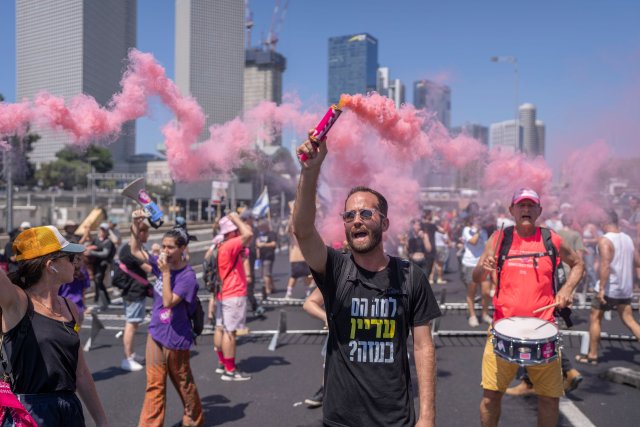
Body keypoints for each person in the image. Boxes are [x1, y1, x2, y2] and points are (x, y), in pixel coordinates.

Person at [293, 134, 440, 427]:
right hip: (340, 419)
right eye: (349, 215)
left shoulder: (411, 276)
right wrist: (310, 171)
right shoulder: (335, 268)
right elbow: (303, 230)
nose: (356, 219)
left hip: (394, 418)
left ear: (384, 223)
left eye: (365, 213)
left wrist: (427, 415)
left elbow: (423, 347)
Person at [472, 188, 584, 427]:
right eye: (521, 205)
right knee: (491, 398)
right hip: (502, 331)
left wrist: (566, 290)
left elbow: (578, 264)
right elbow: (476, 277)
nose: (526, 210)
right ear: (512, 210)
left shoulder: (551, 239)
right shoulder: (499, 238)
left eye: (531, 206)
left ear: (539, 211)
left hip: (544, 331)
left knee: (549, 399)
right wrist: (484, 265)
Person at [0, 226, 108, 426]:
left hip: (68, 410)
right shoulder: (18, 302)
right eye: (69, 257)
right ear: (51, 265)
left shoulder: (69, 307)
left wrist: (102, 421)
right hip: (29, 413)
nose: (76, 262)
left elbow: (81, 373)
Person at [138, 228, 203, 426]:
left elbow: (168, 301)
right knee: (154, 385)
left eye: (171, 247)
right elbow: (134, 252)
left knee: (183, 381)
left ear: (183, 248)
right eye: (164, 246)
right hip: (156, 332)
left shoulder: (188, 277)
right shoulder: (162, 263)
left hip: (176, 338)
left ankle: (194, 417)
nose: (165, 251)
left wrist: (165, 273)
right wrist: (136, 226)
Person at [576, 209, 640, 365]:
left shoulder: (605, 240)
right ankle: (591, 354)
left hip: (609, 288)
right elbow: (637, 262)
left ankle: (592, 355)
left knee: (595, 318)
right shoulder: (627, 239)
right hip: (624, 289)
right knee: (629, 319)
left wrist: (602, 289)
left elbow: (605, 264)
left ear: (604, 223)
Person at [212, 213, 254, 381]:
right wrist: (236, 218)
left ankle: (222, 363)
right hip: (233, 292)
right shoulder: (230, 244)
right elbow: (249, 234)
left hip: (222, 292)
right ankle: (230, 370)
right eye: (235, 230)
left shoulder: (218, 244)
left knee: (220, 327)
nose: (238, 232)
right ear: (231, 232)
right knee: (231, 332)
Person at [114, 211, 152, 372]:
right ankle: (127, 358)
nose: (148, 236)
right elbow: (149, 267)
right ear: (140, 233)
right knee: (131, 323)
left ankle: (131, 354)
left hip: (134, 291)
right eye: (147, 233)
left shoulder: (128, 249)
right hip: (133, 292)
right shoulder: (130, 250)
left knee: (133, 323)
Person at [461, 215, 491, 327]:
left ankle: (485, 314)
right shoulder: (466, 230)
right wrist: (477, 231)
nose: (478, 220)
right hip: (470, 264)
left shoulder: (484, 232)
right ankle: (472, 315)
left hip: (482, 264)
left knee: (486, 292)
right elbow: (473, 241)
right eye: (476, 218)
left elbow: (486, 247)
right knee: (472, 292)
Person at [302, 287, 327, 409]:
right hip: (343, 341)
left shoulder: (392, 275)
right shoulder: (340, 275)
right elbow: (309, 303)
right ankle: (325, 389)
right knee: (330, 364)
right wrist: (326, 317)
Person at [85, 223, 116, 311]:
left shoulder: (108, 242)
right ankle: (105, 300)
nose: (101, 232)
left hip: (103, 264)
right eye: (100, 230)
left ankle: (101, 301)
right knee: (98, 282)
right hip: (95, 263)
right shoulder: (96, 240)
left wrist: (92, 253)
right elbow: (90, 243)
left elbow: (105, 254)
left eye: (103, 230)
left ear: (106, 232)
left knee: (98, 280)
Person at [286, 206, 315, 299]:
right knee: (294, 275)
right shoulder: (292, 233)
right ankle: (288, 293)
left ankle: (307, 293)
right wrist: (292, 214)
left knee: (307, 275)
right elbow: (290, 226)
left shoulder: (305, 231)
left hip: (305, 257)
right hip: (296, 257)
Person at [256, 220, 278, 297]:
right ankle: (273, 288)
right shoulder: (260, 235)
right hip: (262, 256)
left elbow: (274, 244)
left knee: (266, 274)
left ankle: (267, 290)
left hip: (269, 256)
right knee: (267, 273)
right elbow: (258, 245)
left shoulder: (271, 234)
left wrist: (264, 244)